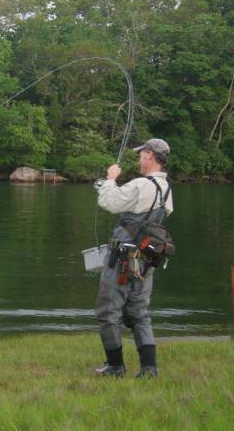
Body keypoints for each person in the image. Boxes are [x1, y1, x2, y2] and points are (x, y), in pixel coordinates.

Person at [93, 138, 173, 378]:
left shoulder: (142, 184)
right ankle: (149, 369)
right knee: (139, 311)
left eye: (141, 154)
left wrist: (110, 178)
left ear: (149, 155)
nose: (139, 158)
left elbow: (109, 202)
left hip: (123, 257)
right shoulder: (167, 189)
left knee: (108, 311)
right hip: (147, 259)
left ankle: (115, 366)